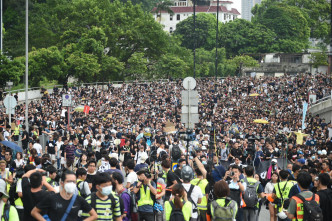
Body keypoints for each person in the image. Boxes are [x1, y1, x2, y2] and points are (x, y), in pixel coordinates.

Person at [31, 170, 98, 220]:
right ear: (62, 183)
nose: (71, 184)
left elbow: (94, 215)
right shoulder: (52, 198)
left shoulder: (79, 199)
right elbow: (34, 212)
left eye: (74, 182)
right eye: (68, 181)